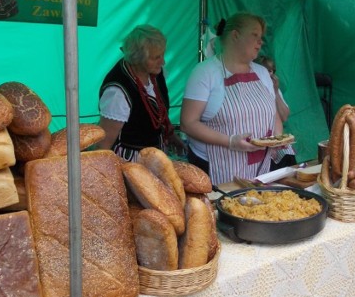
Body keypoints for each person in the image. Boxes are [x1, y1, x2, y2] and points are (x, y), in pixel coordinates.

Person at [180, 12, 284, 185]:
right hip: (216, 168)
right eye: (255, 35)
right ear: (235, 35)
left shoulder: (262, 72)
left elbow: (274, 115)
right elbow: (188, 123)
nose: (261, 41)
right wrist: (230, 141)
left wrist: (278, 137)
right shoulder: (205, 72)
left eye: (261, 37)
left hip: (260, 166)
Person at [96, 24, 183, 162]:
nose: (163, 61)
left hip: (155, 159)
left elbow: (158, 113)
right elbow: (103, 146)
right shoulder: (118, 92)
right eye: (156, 57)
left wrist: (170, 135)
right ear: (137, 58)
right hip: (130, 163)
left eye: (162, 55)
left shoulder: (155, 74)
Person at [254, 54, 297, 169]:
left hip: (273, 138)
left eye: (272, 71)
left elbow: (284, 116)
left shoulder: (273, 88)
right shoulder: (251, 90)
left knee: (288, 152)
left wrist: (276, 92)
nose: (270, 74)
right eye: (266, 70)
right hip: (258, 139)